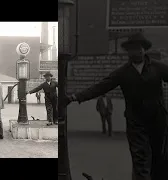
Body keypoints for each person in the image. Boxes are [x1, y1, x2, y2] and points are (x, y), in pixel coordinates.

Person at [64, 33, 168, 180]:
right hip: (136, 122)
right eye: (133, 49)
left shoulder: (158, 67)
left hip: (158, 121)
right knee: (140, 158)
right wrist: (75, 97)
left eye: (140, 49)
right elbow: (101, 87)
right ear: (128, 52)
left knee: (160, 158)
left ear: (144, 50)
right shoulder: (123, 72)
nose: (137, 52)